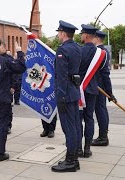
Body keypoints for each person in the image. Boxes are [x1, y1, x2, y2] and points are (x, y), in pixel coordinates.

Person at [51, 20, 81, 172]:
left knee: (69, 128)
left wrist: (61, 97)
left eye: (58, 32)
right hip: (74, 91)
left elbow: (61, 76)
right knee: (74, 127)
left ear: (63, 33)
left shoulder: (63, 50)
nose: (57, 35)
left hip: (66, 94)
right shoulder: (77, 47)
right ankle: (74, 158)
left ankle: (70, 161)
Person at [76, 24, 100, 158]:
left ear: (85, 35)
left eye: (81, 34)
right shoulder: (100, 53)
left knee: (78, 119)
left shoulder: (79, 51)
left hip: (79, 89)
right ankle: (87, 149)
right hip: (92, 89)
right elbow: (102, 72)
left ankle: (78, 149)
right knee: (89, 118)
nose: (80, 36)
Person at [92, 30, 116, 146]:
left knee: (100, 111)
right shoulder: (102, 51)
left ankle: (103, 137)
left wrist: (109, 92)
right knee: (101, 110)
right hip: (99, 86)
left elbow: (105, 74)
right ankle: (103, 136)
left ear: (96, 38)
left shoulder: (100, 52)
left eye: (93, 37)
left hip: (99, 87)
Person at [0, 43, 14, 134]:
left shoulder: (9, 59)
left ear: (5, 48)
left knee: (8, 109)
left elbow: (14, 74)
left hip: (8, 87)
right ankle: (1, 125)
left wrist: (13, 86)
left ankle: (8, 126)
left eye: (1, 47)